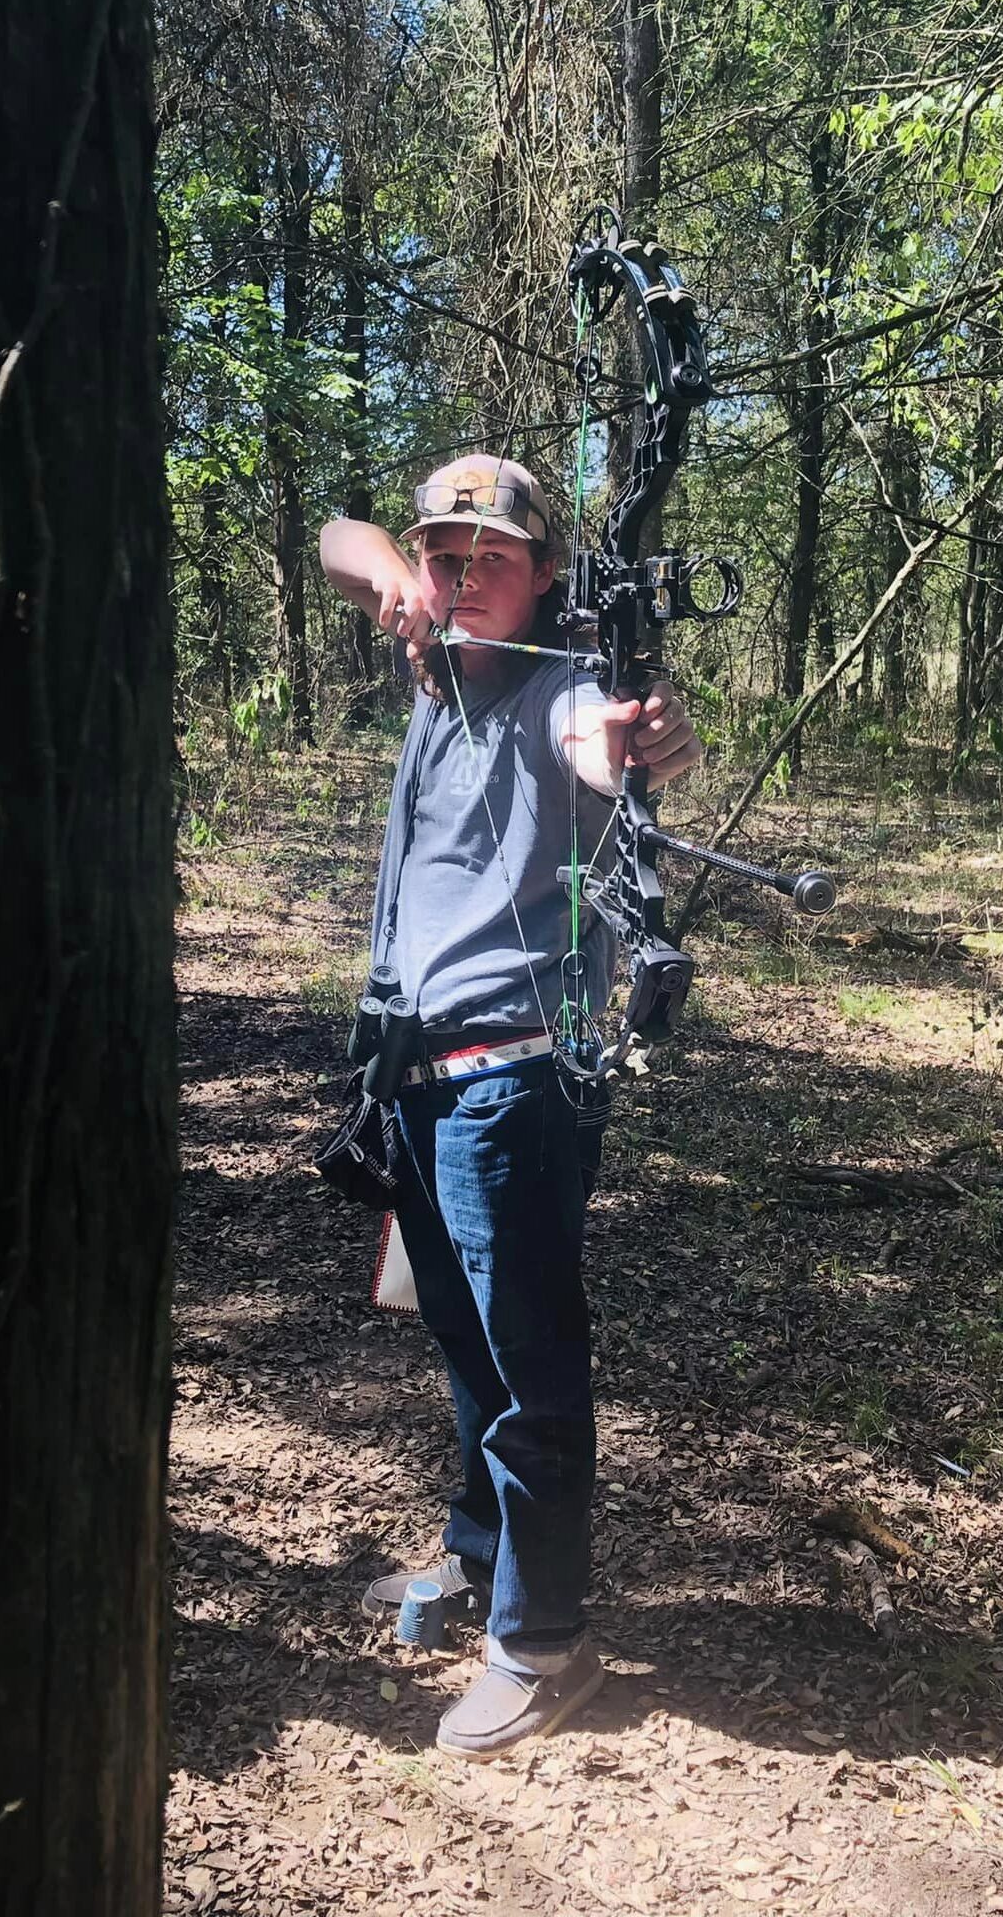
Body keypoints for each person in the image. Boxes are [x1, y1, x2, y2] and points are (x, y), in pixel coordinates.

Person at [318, 453, 702, 1760]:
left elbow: (618, 740)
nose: (461, 573)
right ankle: (481, 1558)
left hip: (513, 1087)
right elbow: (336, 533)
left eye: (493, 556)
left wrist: (646, 733)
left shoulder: (558, 691)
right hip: (415, 1076)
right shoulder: (438, 667)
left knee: (528, 1367)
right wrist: (389, 580)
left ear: (546, 577)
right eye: (443, 553)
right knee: (466, 1348)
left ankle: (545, 1648)